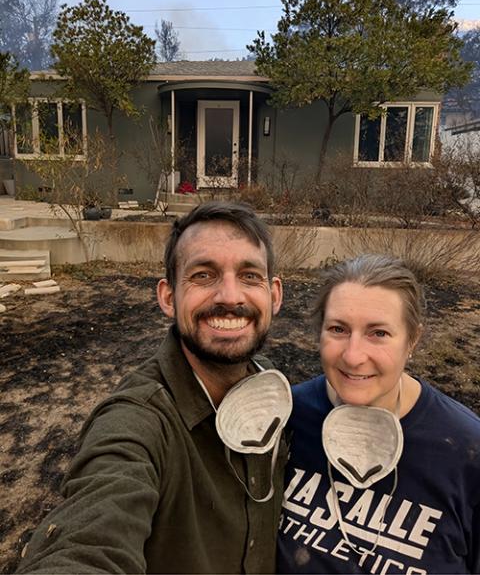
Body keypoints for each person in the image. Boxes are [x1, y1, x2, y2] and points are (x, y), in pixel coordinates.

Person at [17, 201, 290, 575]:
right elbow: (89, 539)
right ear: (167, 296)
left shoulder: (275, 391)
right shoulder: (138, 422)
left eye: (249, 276)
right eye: (203, 275)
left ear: (274, 295)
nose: (230, 296)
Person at [277, 253, 480, 574]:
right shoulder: (286, 418)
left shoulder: (467, 451)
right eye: (338, 329)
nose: (354, 355)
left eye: (379, 333)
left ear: (412, 339)